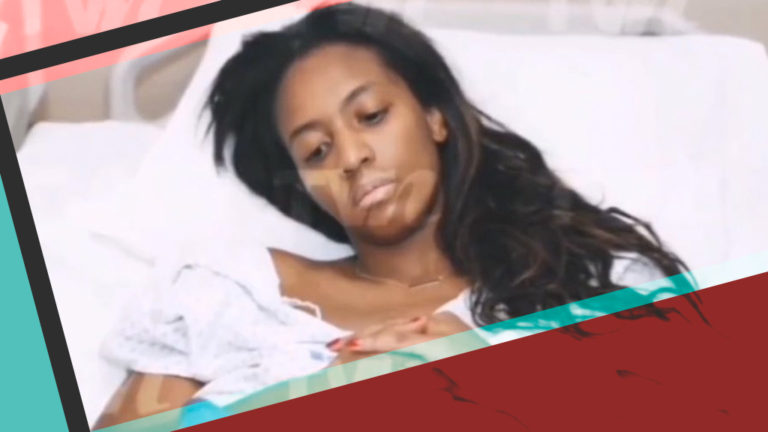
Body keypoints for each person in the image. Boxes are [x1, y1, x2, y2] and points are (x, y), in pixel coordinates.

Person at [94, 2, 694, 429]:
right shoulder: (227, 296)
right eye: (316, 151)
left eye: (372, 116)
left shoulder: (588, 284)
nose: (352, 157)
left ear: (435, 117)